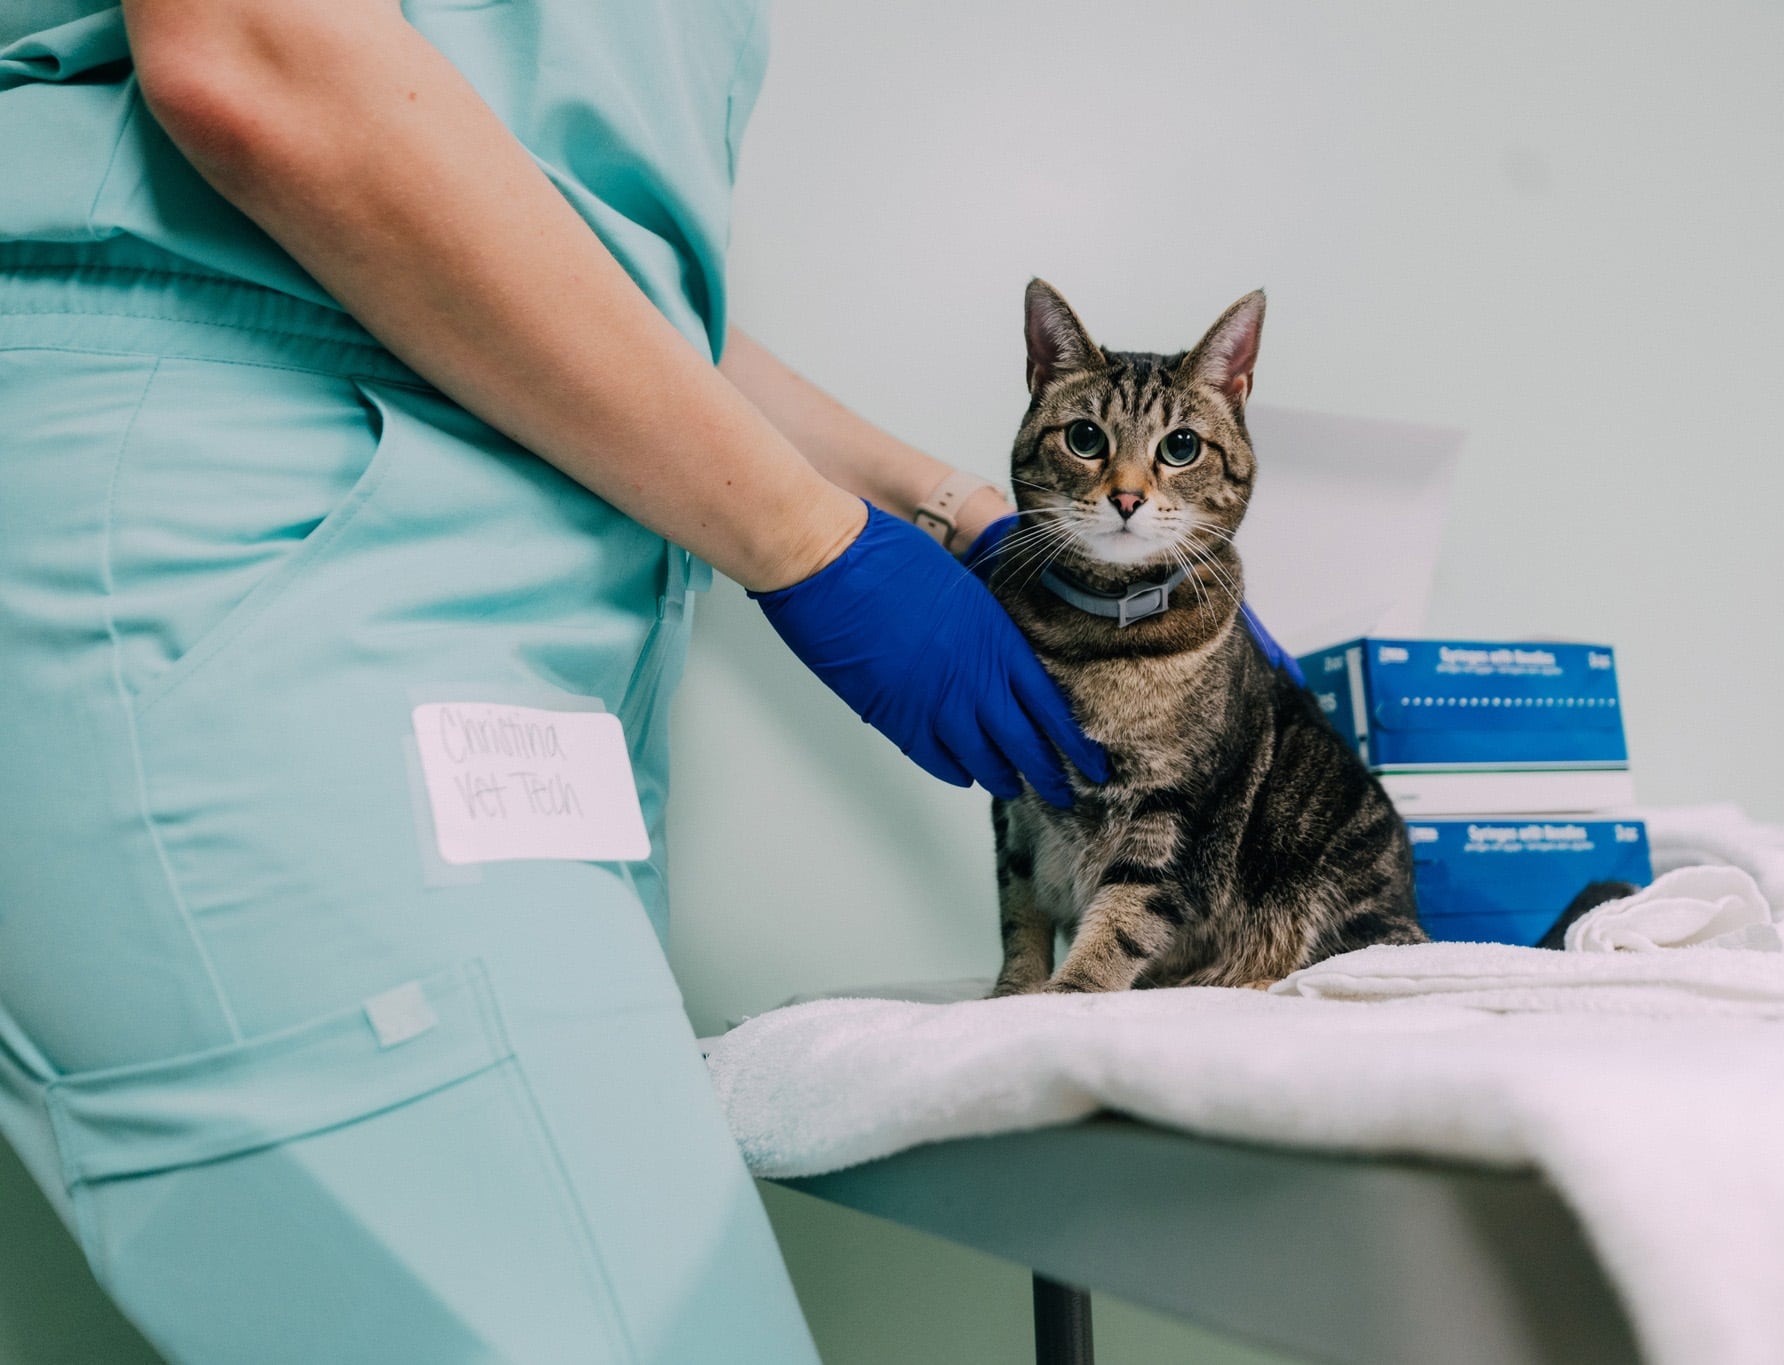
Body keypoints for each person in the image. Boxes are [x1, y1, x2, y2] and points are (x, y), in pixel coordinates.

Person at [0, 2, 1109, 1361]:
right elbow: (258, 51)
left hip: (532, 643)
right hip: (244, 536)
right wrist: (811, 543)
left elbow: (569, 262)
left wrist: (957, 515)